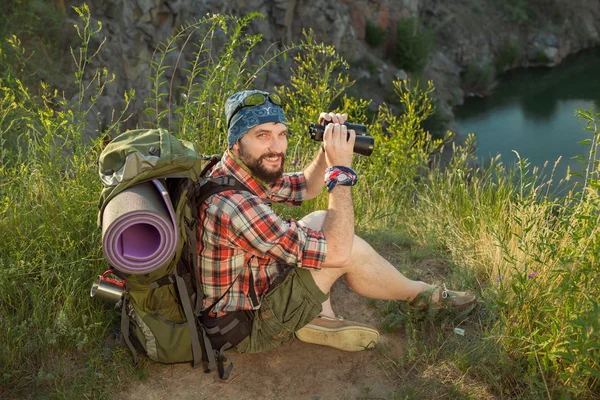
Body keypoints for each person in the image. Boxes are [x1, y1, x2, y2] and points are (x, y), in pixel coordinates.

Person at [197, 89, 476, 354]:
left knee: (320, 219)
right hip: (246, 326)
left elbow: (306, 186)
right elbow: (338, 253)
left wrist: (326, 149)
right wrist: (341, 170)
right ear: (236, 141)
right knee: (346, 249)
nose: (276, 146)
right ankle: (425, 297)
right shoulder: (234, 204)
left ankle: (321, 317)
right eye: (263, 135)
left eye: (281, 134)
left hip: (249, 288)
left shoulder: (238, 170)